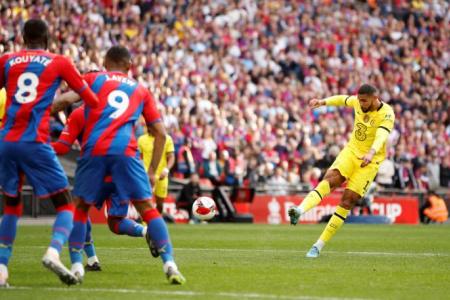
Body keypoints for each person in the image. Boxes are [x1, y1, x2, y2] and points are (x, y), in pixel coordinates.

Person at [58, 46, 185, 284]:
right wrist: (151, 171)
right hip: (126, 154)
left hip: (94, 152)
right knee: (148, 209)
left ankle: (77, 265)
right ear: (130, 66)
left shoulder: (93, 79)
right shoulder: (140, 89)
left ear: (105, 63)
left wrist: (39, 116)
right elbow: (160, 132)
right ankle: (170, 264)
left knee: (80, 208)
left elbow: (65, 99)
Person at [0, 19, 98, 287]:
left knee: (11, 207)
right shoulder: (59, 62)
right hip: (35, 141)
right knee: (66, 204)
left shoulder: (7, 60)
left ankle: (1, 269)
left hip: (6, 141)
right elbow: (91, 100)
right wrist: (63, 100)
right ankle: (54, 251)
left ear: (22, 38)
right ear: (48, 39)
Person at [288, 84, 395, 258]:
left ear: (375, 98)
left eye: (364, 101)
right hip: (351, 152)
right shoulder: (357, 102)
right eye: (359, 99)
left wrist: (372, 152)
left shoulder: (387, 113)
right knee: (330, 180)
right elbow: (341, 99)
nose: (360, 103)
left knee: (347, 201)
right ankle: (300, 210)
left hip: (369, 161)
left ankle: (318, 245)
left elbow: (381, 136)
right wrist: (322, 102)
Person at [51, 104, 151, 271]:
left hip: (95, 169)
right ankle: (145, 231)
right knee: (115, 222)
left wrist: (39, 147)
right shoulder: (116, 112)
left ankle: (87, 261)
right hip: (120, 170)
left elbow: (62, 146)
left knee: (79, 211)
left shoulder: (79, 113)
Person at [138, 128, 175, 213]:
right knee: (146, 201)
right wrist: (143, 172)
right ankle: (146, 223)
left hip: (161, 175)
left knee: (160, 203)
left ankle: (158, 220)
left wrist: (166, 170)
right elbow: (138, 158)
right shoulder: (141, 139)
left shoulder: (167, 138)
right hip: (146, 176)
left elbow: (171, 157)